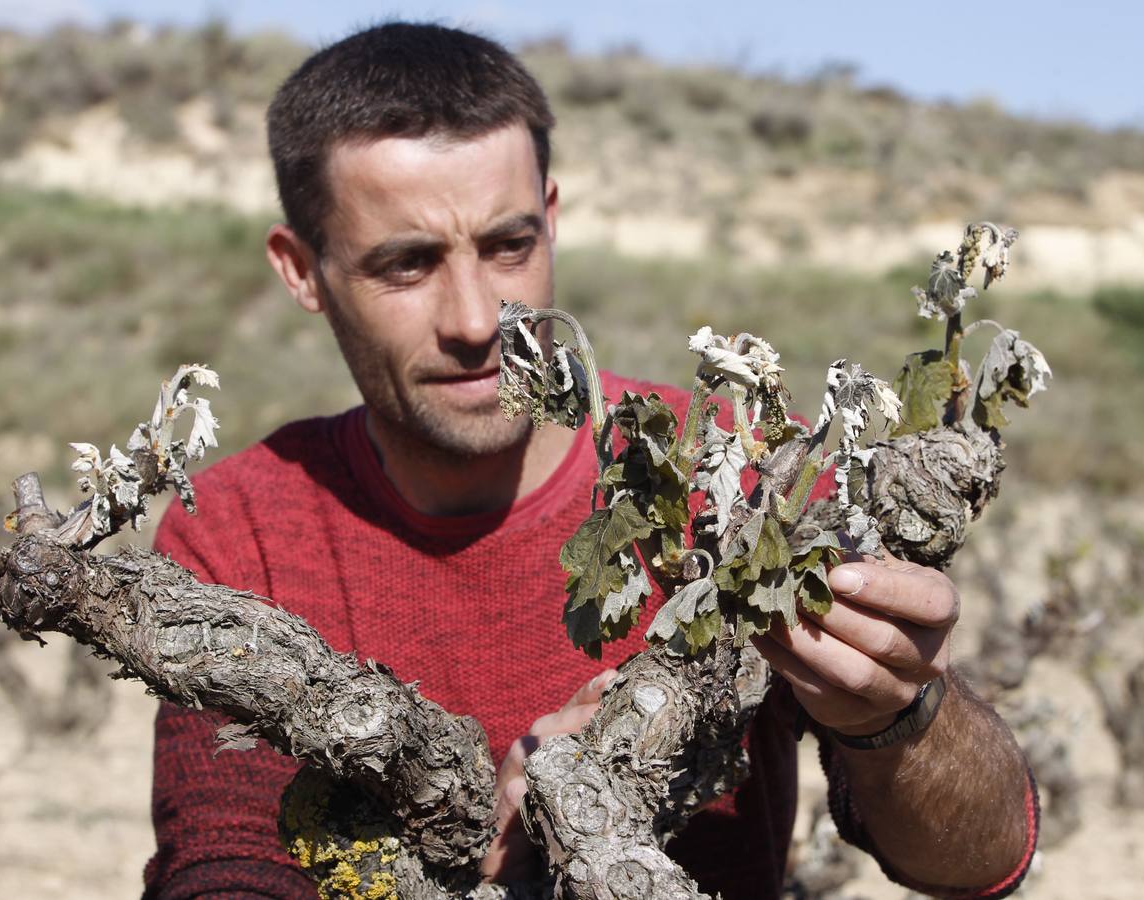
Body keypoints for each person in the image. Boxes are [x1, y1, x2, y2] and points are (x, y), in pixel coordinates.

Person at [143, 22, 1038, 900]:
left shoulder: (739, 475)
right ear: (301, 269)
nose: (477, 320)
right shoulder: (238, 530)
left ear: (552, 220)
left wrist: (903, 716)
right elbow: (223, 865)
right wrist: (470, 867)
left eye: (509, 246)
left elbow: (981, 861)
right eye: (407, 265)